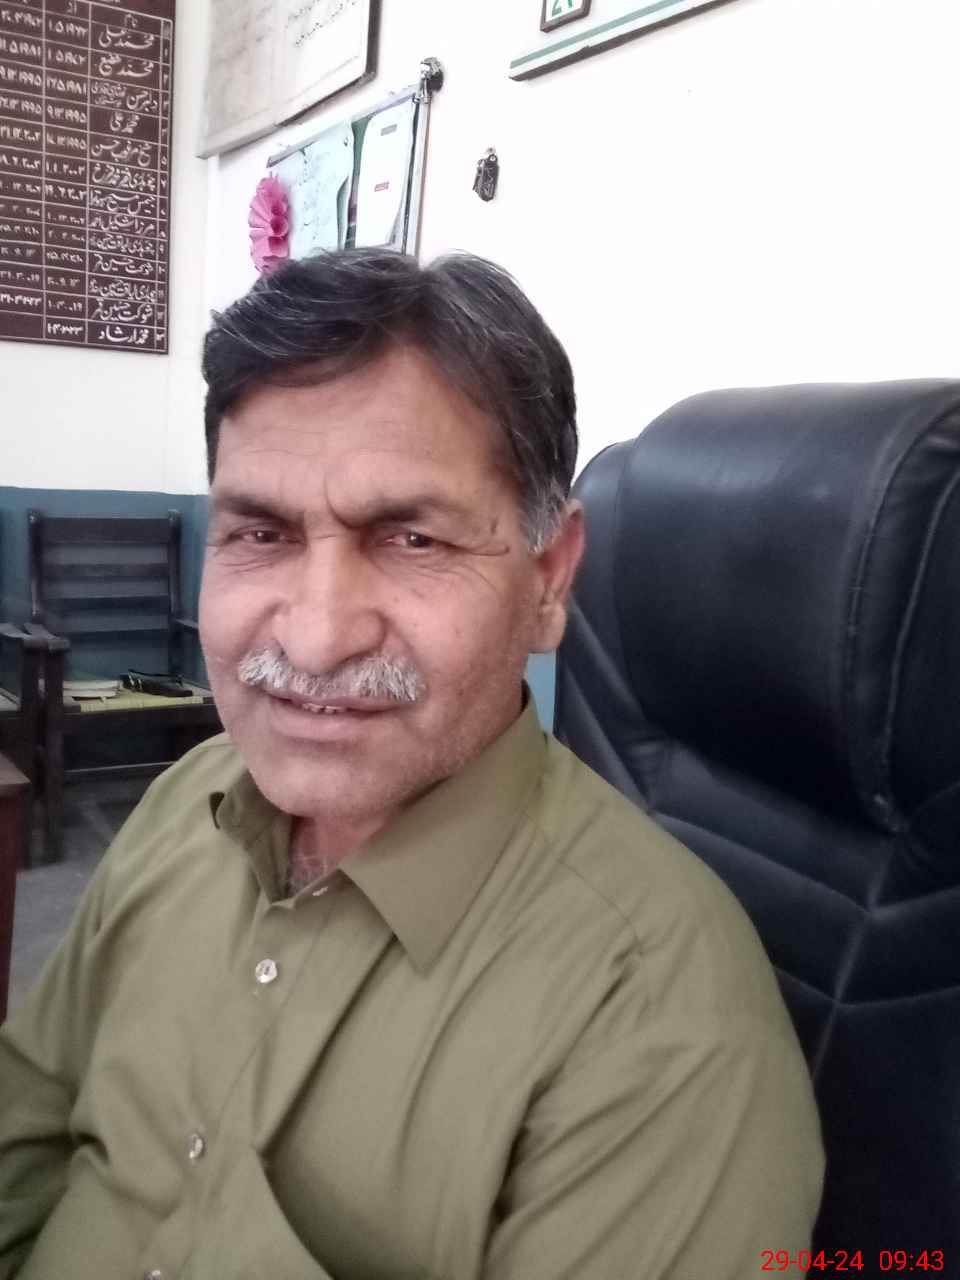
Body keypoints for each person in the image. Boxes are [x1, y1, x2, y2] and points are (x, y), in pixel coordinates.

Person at [0, 249, 823, 1278]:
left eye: (412, 540)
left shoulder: (664, 1030)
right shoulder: (185, 800)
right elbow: (25, 1138)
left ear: (548, 580)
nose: (314, 640)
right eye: (260, 532)